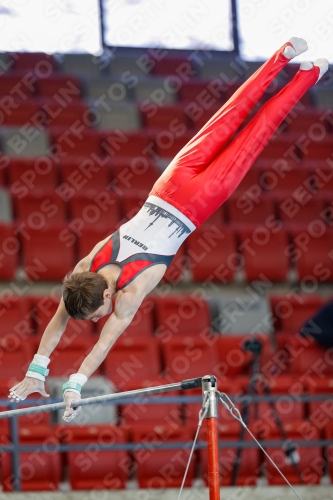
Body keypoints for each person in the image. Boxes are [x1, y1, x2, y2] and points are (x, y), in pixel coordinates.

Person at [8, 38, 328, 422]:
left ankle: (309, 74)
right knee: (227, 116)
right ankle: (282, 56)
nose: (96, 321)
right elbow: (62, 319)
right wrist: (35, 373)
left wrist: (75, 384)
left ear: (107, 293)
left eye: (97, 314)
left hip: (199, 201)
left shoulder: (127, 294)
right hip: (169, 183)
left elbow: (104, 345)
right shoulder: (82, 273)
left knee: (255, 132)